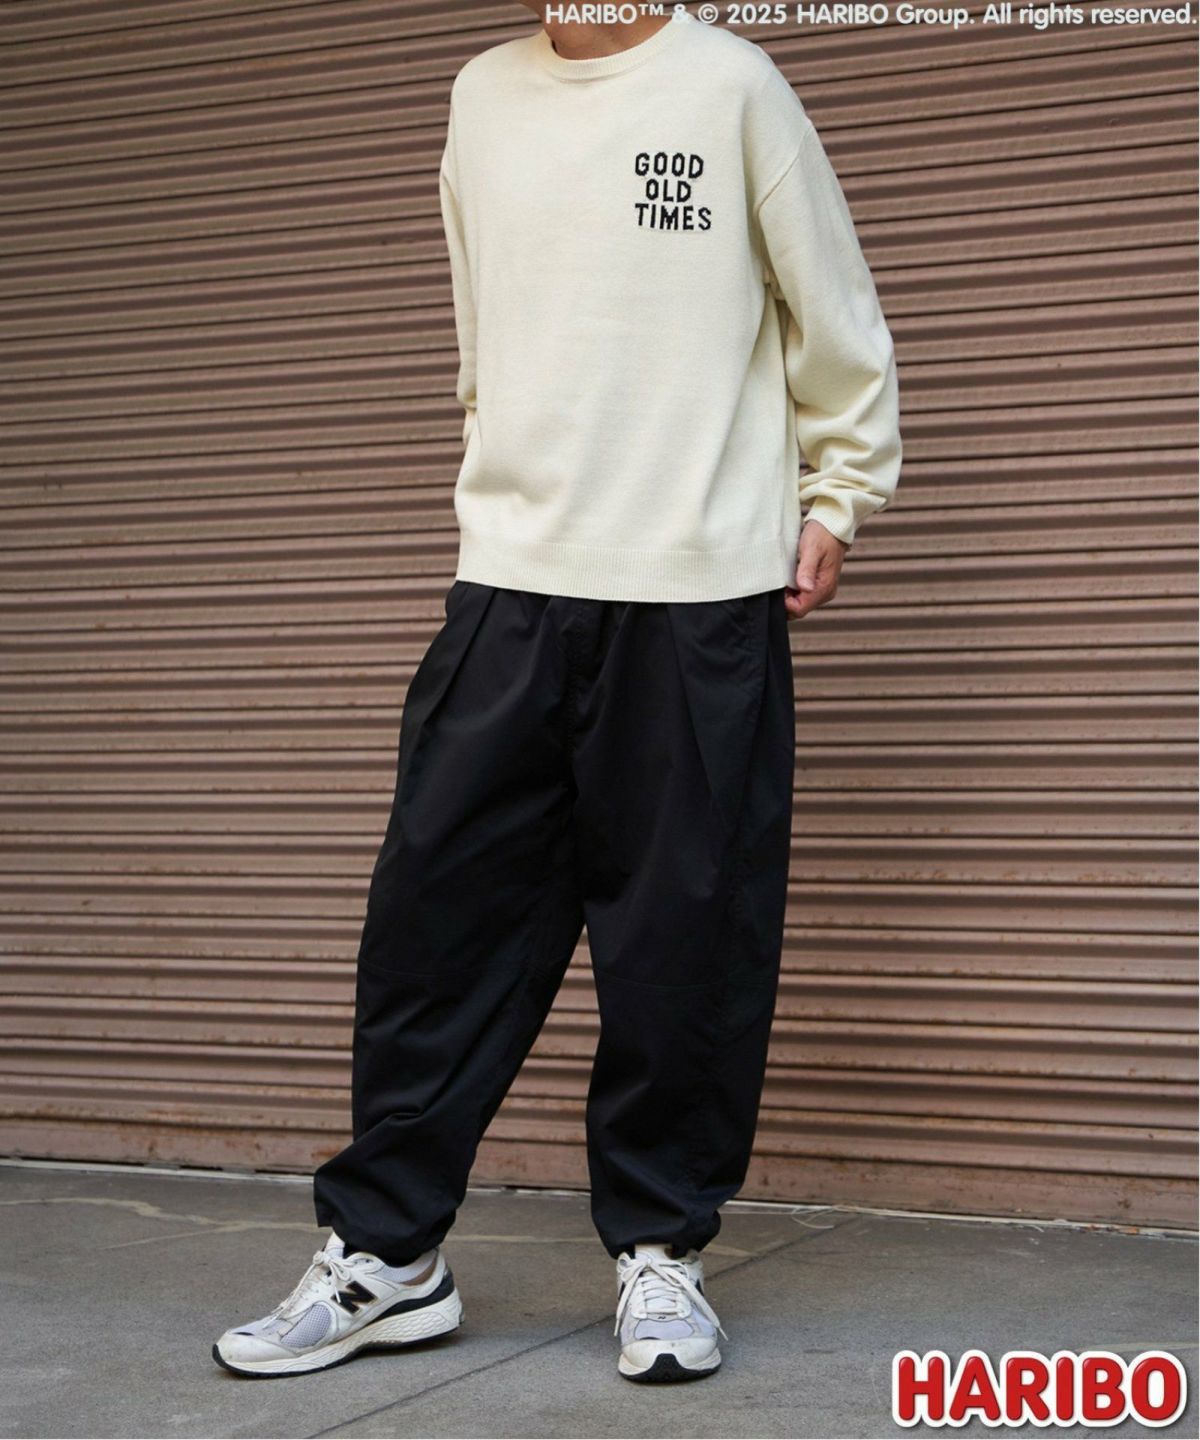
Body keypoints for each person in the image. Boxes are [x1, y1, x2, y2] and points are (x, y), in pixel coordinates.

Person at [213, 1, 901, 1384]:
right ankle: (389, 1256)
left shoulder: (732, 87)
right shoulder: (481, 96)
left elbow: (833, 308)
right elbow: (484, 323)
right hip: (514, 577)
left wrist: (840, 489)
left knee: (684, 948)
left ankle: (661, 1251)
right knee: (435, 930)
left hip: (698, 588)